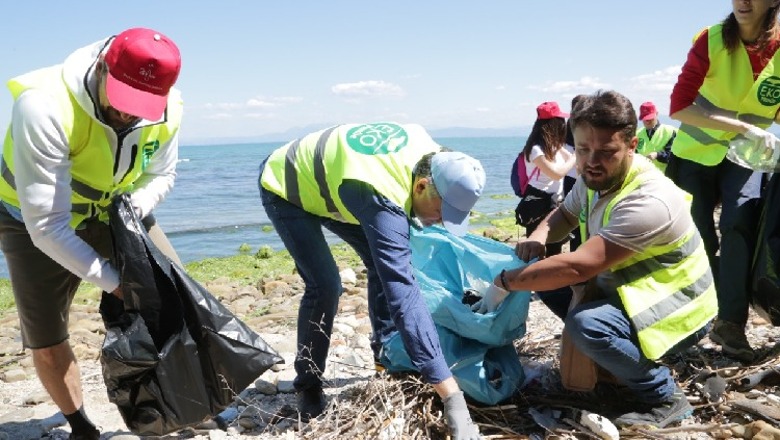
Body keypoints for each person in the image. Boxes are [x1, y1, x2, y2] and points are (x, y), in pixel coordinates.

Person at [477, 91, 717, 428]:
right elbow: (564, 215)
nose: (591, 161)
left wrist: (505, 282)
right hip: (633, 289)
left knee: (588, 325)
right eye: (583, 149)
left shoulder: (649, 200)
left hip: (681, 308)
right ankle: (615, 359)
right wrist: (537, 239)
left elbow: (579, 266)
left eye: (606, 151)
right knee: (548, 283)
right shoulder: (594, 179)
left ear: (632, 145)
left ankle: (663, 395)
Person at [0, 28, 183, 439]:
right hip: (29, 218)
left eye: (142, 107)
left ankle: (180, 407)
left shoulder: (171, 107)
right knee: (46, 334)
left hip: (114, 207)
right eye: (122, 102)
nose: (129, 115)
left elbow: (161, 173)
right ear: (102, 67)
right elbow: (47, 226)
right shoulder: (43, 105)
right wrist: (117, 284)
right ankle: (81, 426)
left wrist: (132, 211)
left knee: (176, 297)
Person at [257, 122, 484, 439]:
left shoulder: (437, 160)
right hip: (286, 184)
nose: (441, 222)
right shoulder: (383, 195)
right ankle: (307, 386)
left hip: (339, 186)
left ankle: (387, 357)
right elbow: (403, 293)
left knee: (384, 266)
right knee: (326, 285)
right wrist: (451, 395)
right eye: (440, 212)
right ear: (419, 187)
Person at [668, 0, 780, 362]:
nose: (743, 1)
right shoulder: (711, 39)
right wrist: (743, 127)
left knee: (739, 225)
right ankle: (694, 317)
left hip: (747, 157)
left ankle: (730, 322)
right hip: (695, 154)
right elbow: (680, 105)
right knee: (696, 235)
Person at [515, 101, 575, 256]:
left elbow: (574, 165)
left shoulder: (555, 146)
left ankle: (552, 279)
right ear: (553, 124)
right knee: (536, 249)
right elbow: (556, 173)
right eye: (561, 121)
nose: (564, 125)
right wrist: (576, 156)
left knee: (555, 248)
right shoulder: (535, 150)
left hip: (554, 203)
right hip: (538, 204)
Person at [636, 101, 677, 172]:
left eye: (650, 118)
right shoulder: (638, 134)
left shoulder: (669, 132)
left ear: (657, 114)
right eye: (645, 119)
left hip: (664, 177)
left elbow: (674, 158)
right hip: (643, 177)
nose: (647, 121)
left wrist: (658, 155)